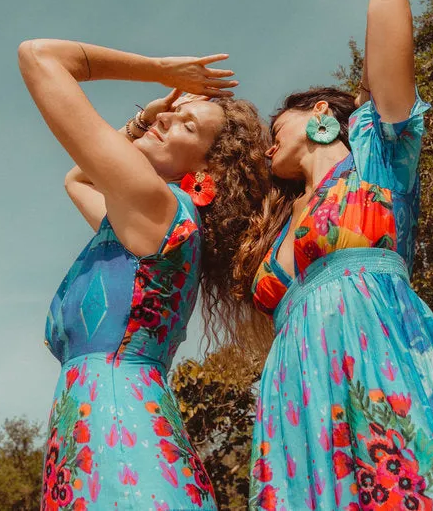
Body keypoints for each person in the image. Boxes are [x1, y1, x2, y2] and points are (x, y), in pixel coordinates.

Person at [238, 0, 433, 510]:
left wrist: (360, 105)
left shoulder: (378, 163)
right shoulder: (279, 227)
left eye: (275, 128)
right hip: (297, 389)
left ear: (318, 117)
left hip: (374, 356)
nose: (267, 147)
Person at [18, 39, 270, 511]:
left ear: (209, 166)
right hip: (98, 433)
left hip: (120, 437)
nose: (165, 118)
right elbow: (78, 180)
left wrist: (159, 70)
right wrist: (143, 121)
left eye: (186, 123)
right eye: (168, 114)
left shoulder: (158, 207)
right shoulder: (144, 224)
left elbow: (39, 56)